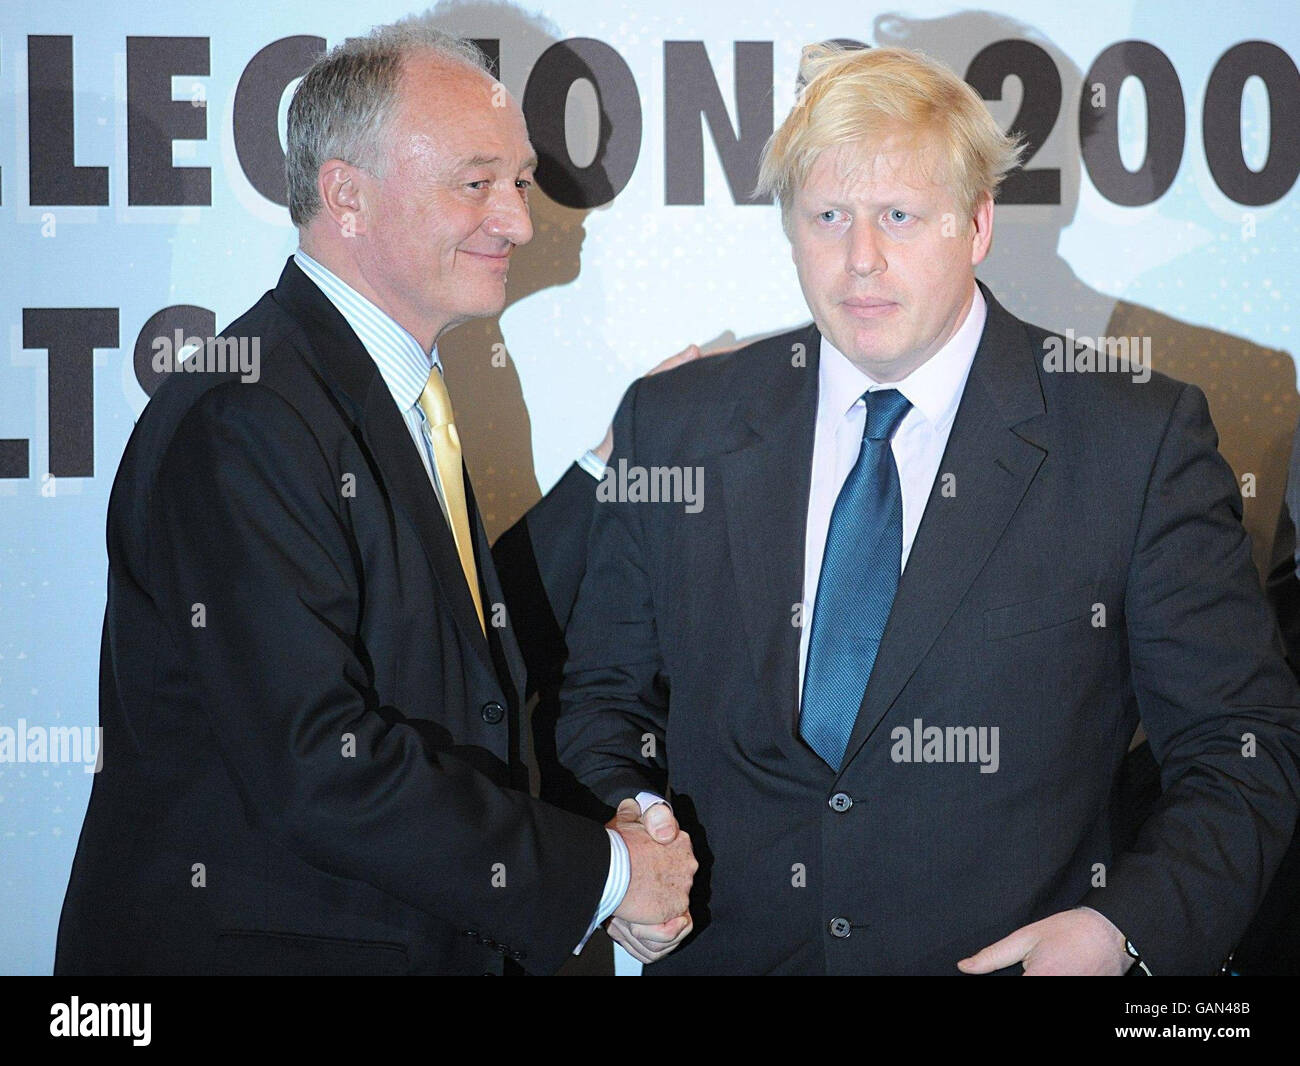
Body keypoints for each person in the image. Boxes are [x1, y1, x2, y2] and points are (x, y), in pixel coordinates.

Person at [556, 43, 1300, 974]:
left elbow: (1242, 748)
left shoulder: (1135, 441)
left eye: (900, 216)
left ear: (979, 224)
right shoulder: (675, 426)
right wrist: (630, 832)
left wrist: (1124, 932)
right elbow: (603, 706)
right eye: (828, 216)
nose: (860, 259)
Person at [55, 17, 695, 976]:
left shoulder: (377, 387)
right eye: (475, 183)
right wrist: (605, 875)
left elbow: (453, 652)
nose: (519, 220)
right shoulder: (247, 415)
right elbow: (320, 761)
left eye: (518, 182)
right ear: (345, 196)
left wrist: (614, 462)